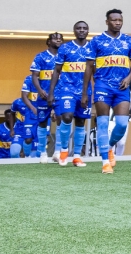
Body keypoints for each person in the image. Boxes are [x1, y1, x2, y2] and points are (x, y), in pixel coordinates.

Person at [84, 9, 131, 174]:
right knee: (103, 124)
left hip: (122, 88)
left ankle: (110, 146)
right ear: (107, 21)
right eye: (114, 20)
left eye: (120, 20)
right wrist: (86, 90)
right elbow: (89, 66)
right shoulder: (96, 41)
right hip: (102, 86)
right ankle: (105, 161)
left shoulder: (128, 40)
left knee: (121, 124)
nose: (117, 23)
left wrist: (129, 78)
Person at [51, 21, 92, 167]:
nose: (82, 30)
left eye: (84, 28)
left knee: (81, 121)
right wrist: (51, 92)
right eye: (78, 28)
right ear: (74, 31)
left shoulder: (93, 47)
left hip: (85, 90)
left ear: (88, 31)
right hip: (66, 88)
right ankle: (63, 151)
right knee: (67, 117)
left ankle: (76, 156)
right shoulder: (65, 48)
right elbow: (56, 70)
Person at [29, 33, 63, 162]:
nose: (58, 40)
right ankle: (42, 152)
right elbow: (34, 76)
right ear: (48, 42)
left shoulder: (64, 56)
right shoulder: (40, 56)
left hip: (60, 94)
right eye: (55, 38)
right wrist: (40, 90)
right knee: (42, 123)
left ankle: (58, 151)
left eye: (60, 38)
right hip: (44, 95)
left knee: (61, 120)